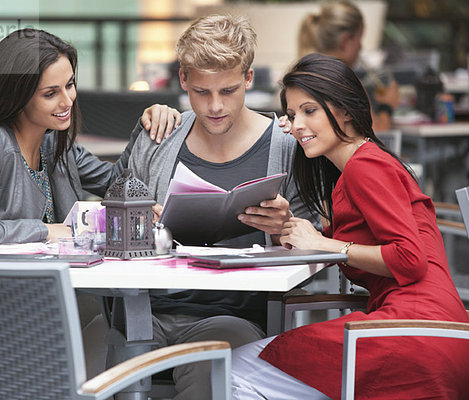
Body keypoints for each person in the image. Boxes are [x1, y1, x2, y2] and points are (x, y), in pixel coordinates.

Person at [82, 14, 317, 399]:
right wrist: (138, 220)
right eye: (202, 92)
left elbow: (315, 252)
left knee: (212, 376)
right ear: (184, 80)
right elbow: (110, 217)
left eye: (227, 91)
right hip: (142, 313)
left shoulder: (285, 148)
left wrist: (286, 228)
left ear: (248, 79)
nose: (214, 107)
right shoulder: (158, 137)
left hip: (229, 318)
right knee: (80, 366)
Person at [231, 53, 469, 400]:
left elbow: (409, 259)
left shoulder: (366, 167)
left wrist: (324, 243)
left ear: (346, 111)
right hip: (445, 339)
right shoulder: (362, 167)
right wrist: (287, 228)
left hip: (414, 337)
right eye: (290, 114)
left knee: (232, 372)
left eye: (310, 110)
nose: (296, 124)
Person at [0, 29, 178, 255]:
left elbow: (119, 184)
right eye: (50, 93)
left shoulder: (56, 145)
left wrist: (147, 126)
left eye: (70, 85)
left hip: (35, 289)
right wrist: (45, 231)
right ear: (18, 96)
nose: (67, 101)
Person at [297, 0, 399, 132]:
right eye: (359, 38)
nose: (361, 47)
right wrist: (387, 106)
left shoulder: (305, 73)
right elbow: (376, 135)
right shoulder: (346, 82)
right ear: (345, 41)